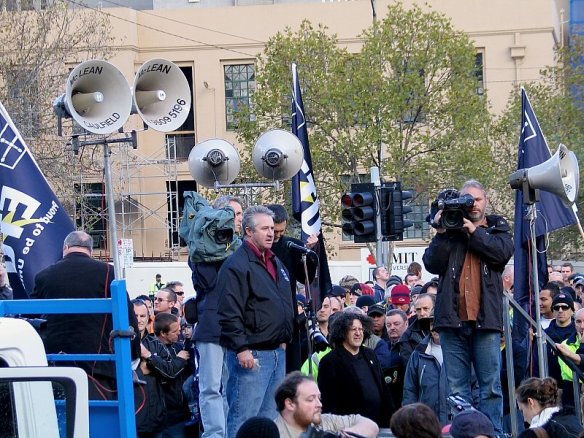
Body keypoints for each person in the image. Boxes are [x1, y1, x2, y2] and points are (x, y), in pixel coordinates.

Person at [423, 179, 513, 437]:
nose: (472, 204)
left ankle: (492, 433)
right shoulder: (450, 230)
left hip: (486, 321)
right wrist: (442, 232)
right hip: (452, 320)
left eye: (477, 199)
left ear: (486, 201)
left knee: (491, 387)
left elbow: (500, 254)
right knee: (457, 389)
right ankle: (463, 433)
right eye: (467, 200)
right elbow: (431, 264)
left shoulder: (497, 229)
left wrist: (473, 231)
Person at [32, 230, 140, 400]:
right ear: (90, 250)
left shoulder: (44, 275)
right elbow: (128, 316)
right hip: (98, 366)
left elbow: (31, 316)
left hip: (55, 363)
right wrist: (133, 355)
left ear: (65, 247)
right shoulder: (108, 273)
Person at [217, 205, 295, 438]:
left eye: (272, 228)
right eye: (264, 229)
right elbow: (230, 311)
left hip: (276, 352)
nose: (271, 233)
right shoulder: (236, 265)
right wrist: (242, 349)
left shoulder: (275, 261)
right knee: (244, 418)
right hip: (252, 355)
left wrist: (284, 338)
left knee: (269, 420)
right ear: (249, 232)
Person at [191, 195, 242, 438]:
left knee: (233, 386)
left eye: (241, 215)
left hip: (236, 328)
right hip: (212, 327)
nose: (239, 220)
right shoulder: (201, 249)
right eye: (235, 214)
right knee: (211, 387)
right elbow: (208, 283)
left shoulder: (241, 248)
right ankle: (214, 434)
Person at [266, 204, 318, 372]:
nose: (277, 236)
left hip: (288, 315)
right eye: (275, 231)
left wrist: (309, 255)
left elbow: (306, 279)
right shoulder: (259, 247)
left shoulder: (292, 245)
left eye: (282, 231)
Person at [317, 311, 393, 427]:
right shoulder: (330, 361)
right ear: (342, 332)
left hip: (379, 424)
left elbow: (383, 389)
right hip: (350, 428)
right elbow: (328, 402)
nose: (358, 333)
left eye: (360, 329)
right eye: (353, 329)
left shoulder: (370, 354)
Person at [274, 371, 379, 438]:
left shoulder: (323, 421)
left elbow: (371, 426)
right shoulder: (273, 433)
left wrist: (347, 434)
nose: (319, 404)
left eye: (319, 398)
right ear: (290, 404)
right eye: (311, 399)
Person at [153, 313, 192, 437]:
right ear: (163, 333)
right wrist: (179, 360)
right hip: (160, 413)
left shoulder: (180, 347)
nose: (179, 333)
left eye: (179, 330)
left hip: (179, 412)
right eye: (175, 331)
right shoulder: (151, 349)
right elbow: (167, 373)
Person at [516, 377, 584, 437]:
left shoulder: (535, 434)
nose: (524, 419)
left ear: (531, 402)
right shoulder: (572, 420)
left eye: (522, 410)